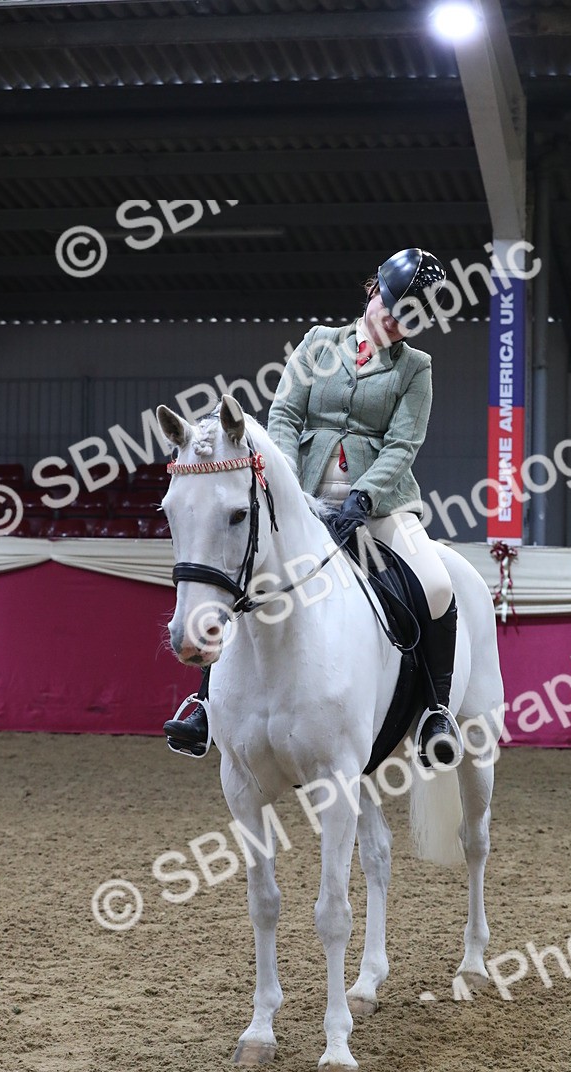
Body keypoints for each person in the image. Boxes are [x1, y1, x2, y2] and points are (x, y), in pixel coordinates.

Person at [164, 248, 459, 767]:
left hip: (380, 506)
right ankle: (205, 705)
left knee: (435, 584)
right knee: (243, 571)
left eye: (410, 319)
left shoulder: (416, 369)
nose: (394, 322)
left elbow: (402, 444)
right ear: (374, 292)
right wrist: (288, 489)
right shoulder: (320, 343)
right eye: (390, 307)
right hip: (301, 498)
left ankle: (435, 709)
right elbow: (285, 413)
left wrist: (364, 495)